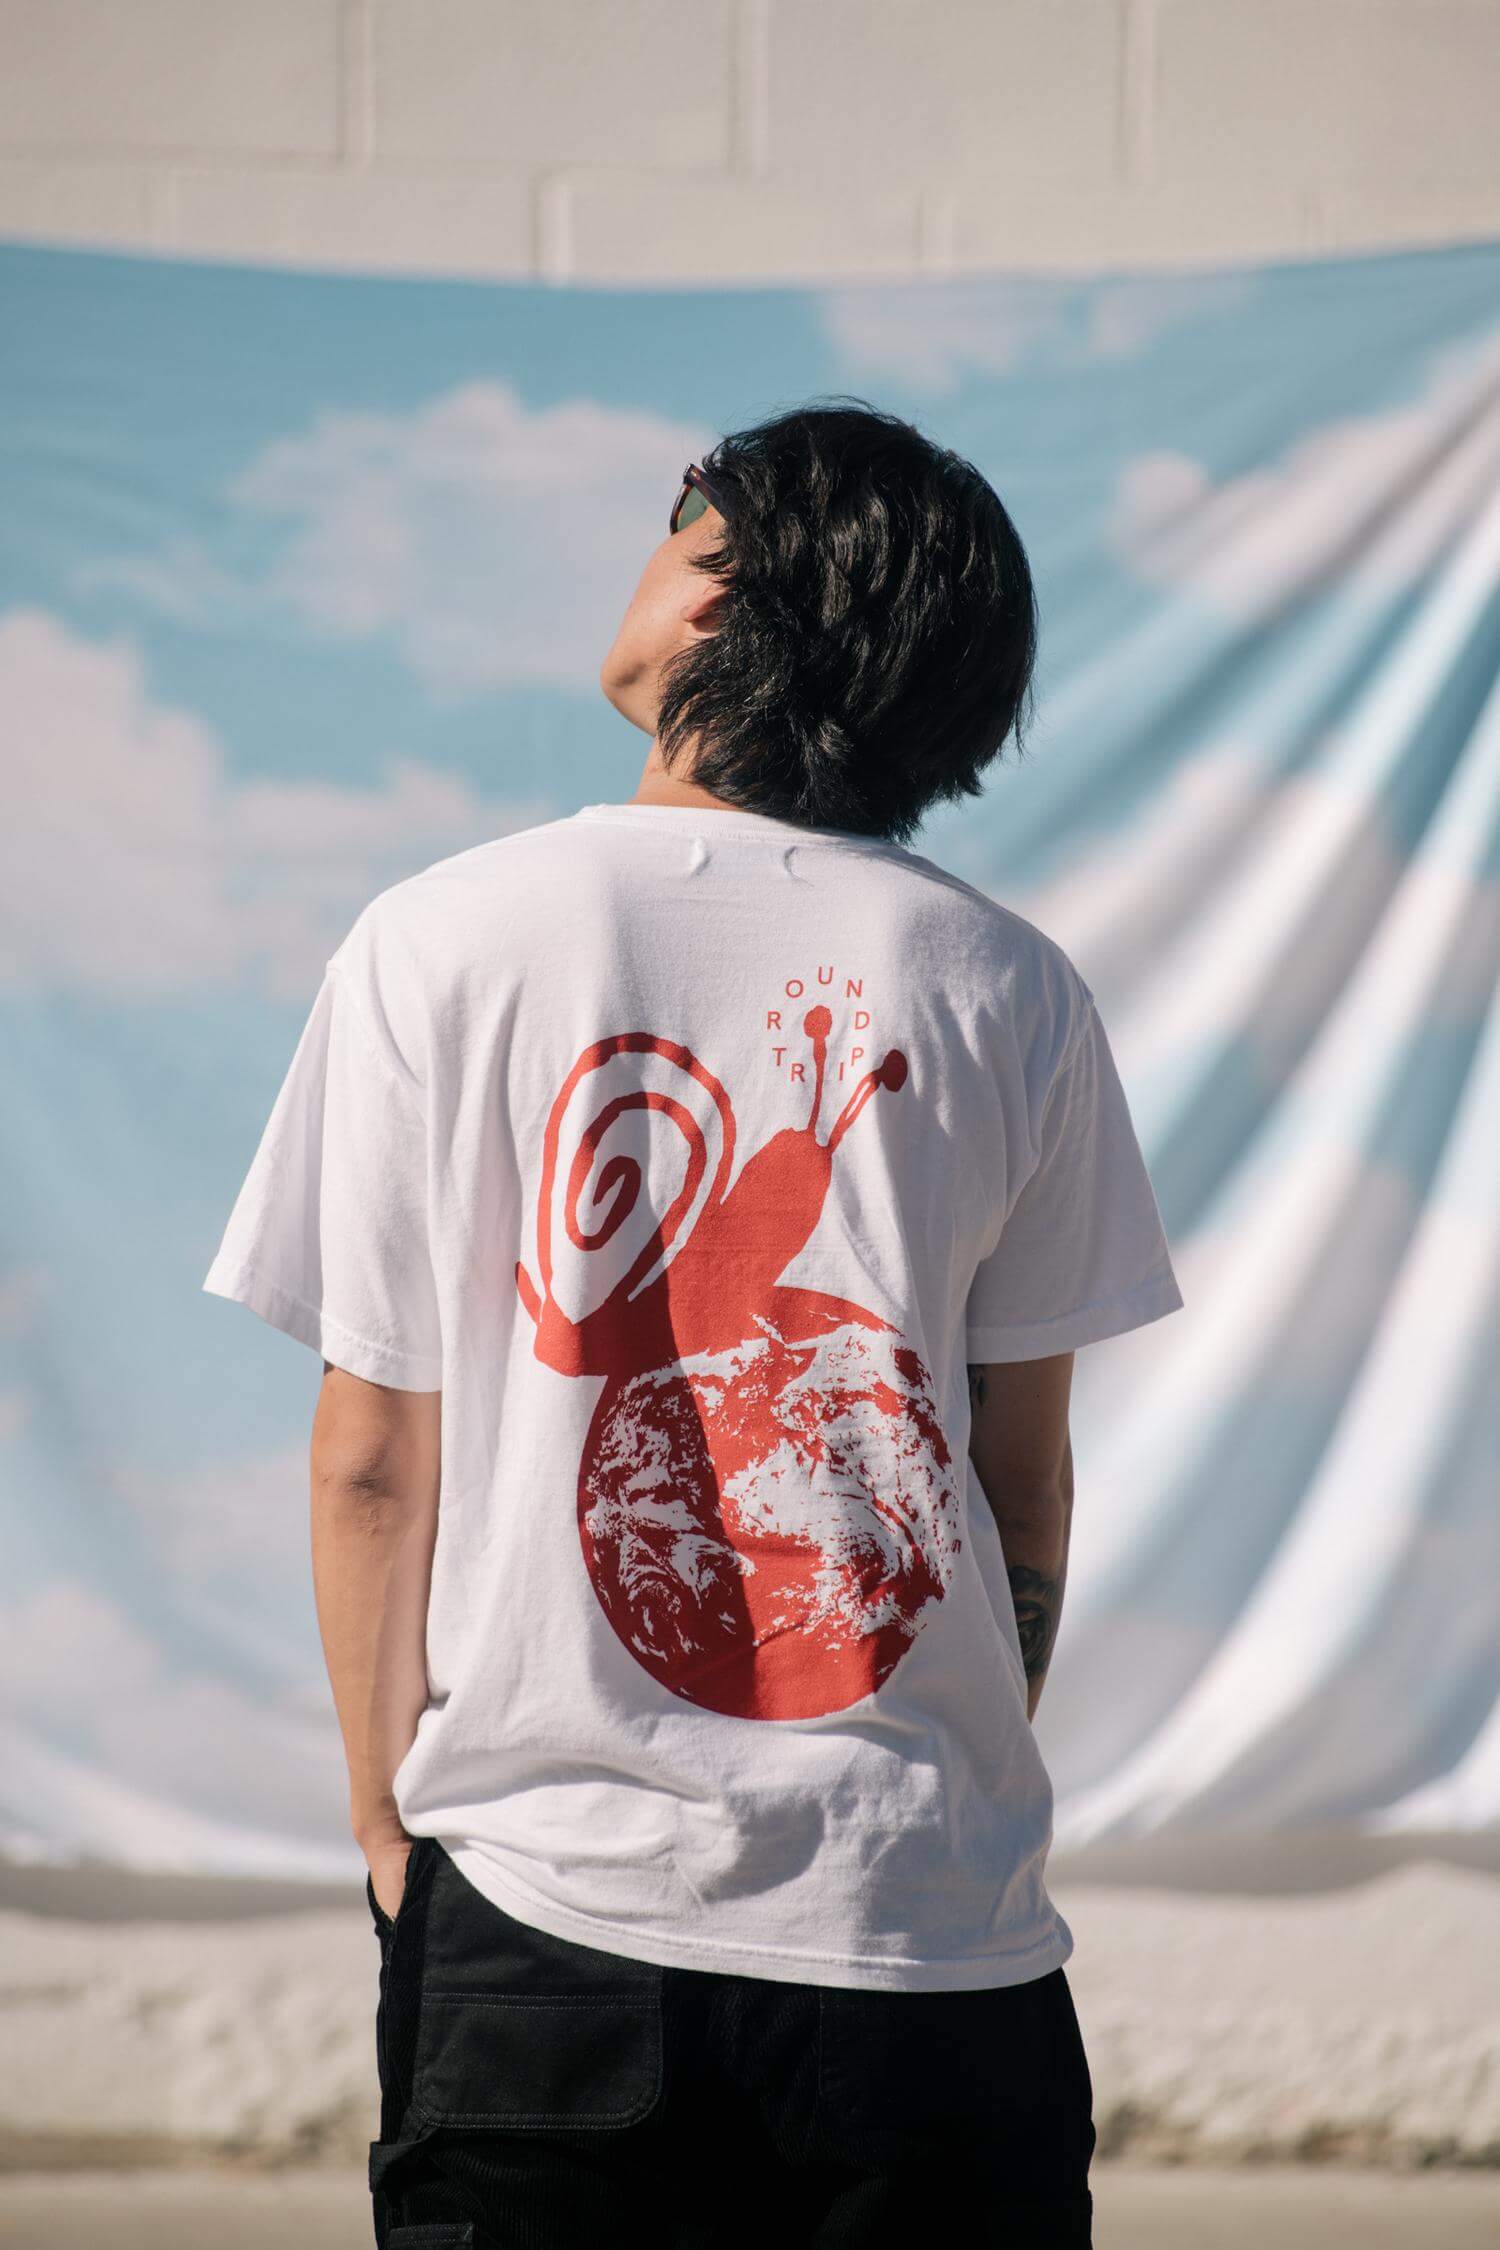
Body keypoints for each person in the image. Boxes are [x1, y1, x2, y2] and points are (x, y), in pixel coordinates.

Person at [203, 398, 1184, 2248]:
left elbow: (372, 1457)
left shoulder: (442, 936)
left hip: (548, 1920)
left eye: (679, 516)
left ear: (725, 591)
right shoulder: (1014, 989)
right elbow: (1021, 1483)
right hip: (935, 1943)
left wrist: (392, 1830)